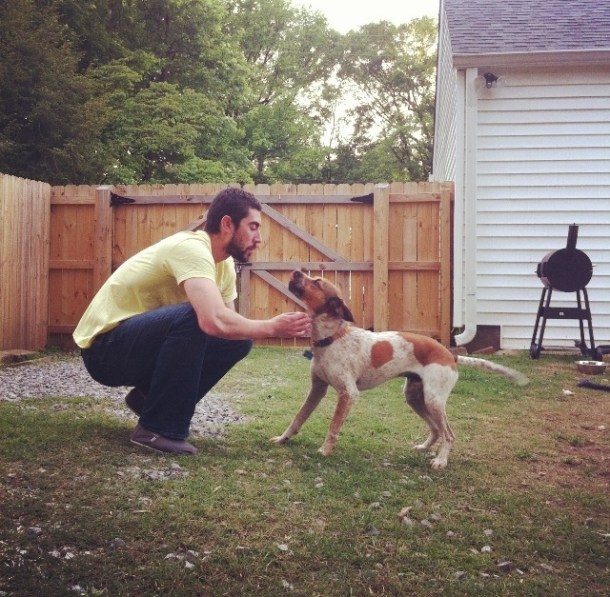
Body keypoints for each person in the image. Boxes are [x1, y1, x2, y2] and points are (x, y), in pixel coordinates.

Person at [73, 188, 311, 455]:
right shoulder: (191, 249)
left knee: (238, 341)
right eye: (253, 227)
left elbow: (228, 324)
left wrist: (261, 329)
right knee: (195, 316)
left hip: (135, 349)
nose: (259, 238)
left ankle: (147, 400)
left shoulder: (223, 265)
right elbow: (213, 321)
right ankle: (155, 429)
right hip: (104, 350)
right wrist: (272, 326)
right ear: (227, 224)